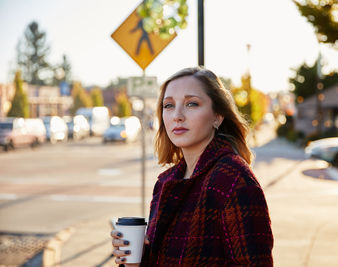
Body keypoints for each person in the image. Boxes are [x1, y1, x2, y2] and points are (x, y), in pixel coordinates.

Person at [111, 66, 273, 266]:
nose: (177, 115)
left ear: (217, 116)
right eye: (168, 105)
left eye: (191, 104)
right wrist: (140, 259)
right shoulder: (165, 183)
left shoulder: (233, 180)